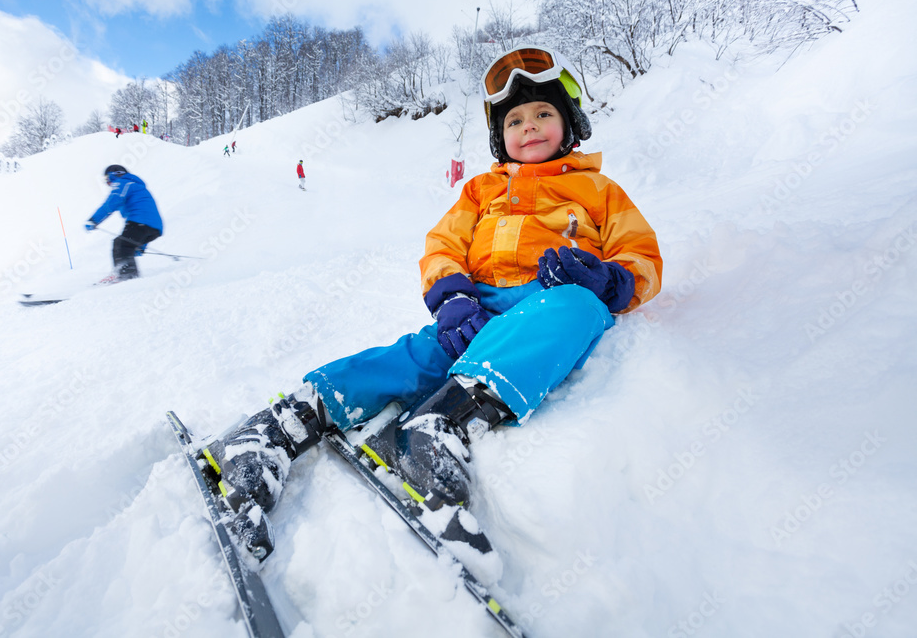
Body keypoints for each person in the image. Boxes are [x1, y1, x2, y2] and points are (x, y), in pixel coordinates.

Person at [200, 46, 662, 542]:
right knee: (415, 357)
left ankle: (438, 425)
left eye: (544, 113)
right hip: (475, 310)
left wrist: (605, 280)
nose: (529, 127)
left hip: (541, 307)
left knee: (579, 307)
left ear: (571, 123)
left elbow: (642, 257)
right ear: (499, 137)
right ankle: (278, 427)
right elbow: (443, 244)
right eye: (515, 121)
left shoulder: (599, 190)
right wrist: (452, 297)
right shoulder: (481, 191)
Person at [85, 165, 163, 282]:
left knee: (121, 244)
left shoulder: (123, 183)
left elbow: (111, 203)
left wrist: (93, 220)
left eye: (107, 179)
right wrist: (140, 245)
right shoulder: (136, 187)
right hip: (154, 228)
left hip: (139, 222)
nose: (107, 183)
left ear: (114, 174)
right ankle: (125, 275)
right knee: (125, 244)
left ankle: (126, 276)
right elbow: (148, 216)